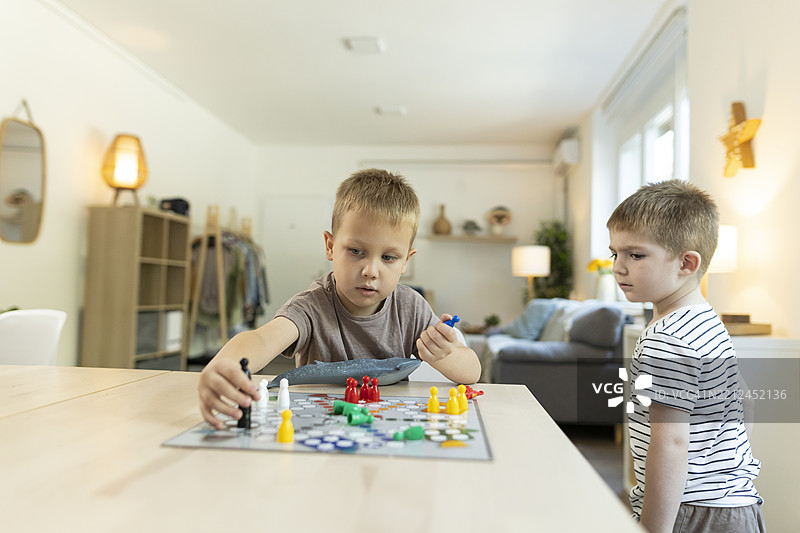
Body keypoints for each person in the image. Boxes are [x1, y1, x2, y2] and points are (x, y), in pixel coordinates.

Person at [198, 168, 481, 429]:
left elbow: (472, 371)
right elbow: (261, 339)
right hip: (318, 425)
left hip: (386, 426)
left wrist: (445, 355)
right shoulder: (310, 306)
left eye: (389, 257)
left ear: (406, 261)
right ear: (330, 246)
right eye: (356, 251)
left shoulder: (411, 308)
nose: (370, 271)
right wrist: (225, 365)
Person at [607, 180, 764, 533]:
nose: (618, 266)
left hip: (694, 511)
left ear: (687, 263)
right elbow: (745, 402)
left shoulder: (667, 339)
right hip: (736, 504)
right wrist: (721, 463)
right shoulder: (706, 320)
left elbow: (672, 443)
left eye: (635, 255)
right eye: (614, 253)